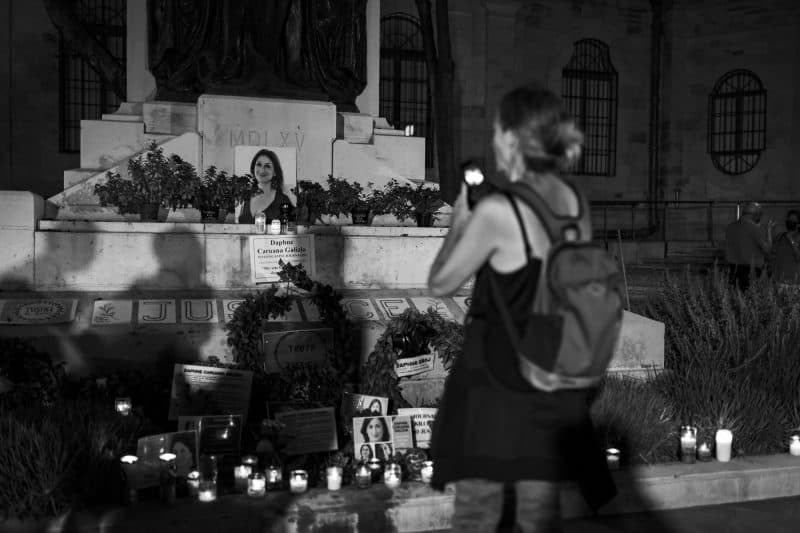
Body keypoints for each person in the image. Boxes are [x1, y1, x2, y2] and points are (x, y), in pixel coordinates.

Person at [427, 84, 616, 532]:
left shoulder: (498, 211)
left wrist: (460, 223)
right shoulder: (574, 203)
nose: (493, 141)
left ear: (512, 138)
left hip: (494, 383)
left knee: (477, 514)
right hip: (548, 376)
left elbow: (440, 282)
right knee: (538, 515)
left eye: (497, 131)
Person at [724, 202, 775, 291]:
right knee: (751, 297)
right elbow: (768, 250)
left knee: (735, 296)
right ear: (755, 215)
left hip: (733, 270)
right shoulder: (754, 229)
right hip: (751, 273)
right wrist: (769, 231)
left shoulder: (730, 227)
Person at [237, 149, 295, 224]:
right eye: (259, 164)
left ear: (275, 172)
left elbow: (290, 227)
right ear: (253, 168)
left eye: (267, 166)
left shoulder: (283, 200)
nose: (262, 170)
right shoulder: (246, 198)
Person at [770, 209, 800, 286]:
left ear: (798, 224)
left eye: (792, 220)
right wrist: (769, 231)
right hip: (779, 280)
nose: (790, 221)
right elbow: (771, 253)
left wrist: (791, 240)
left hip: (795, 281)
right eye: (789, 219)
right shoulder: (780, 236)